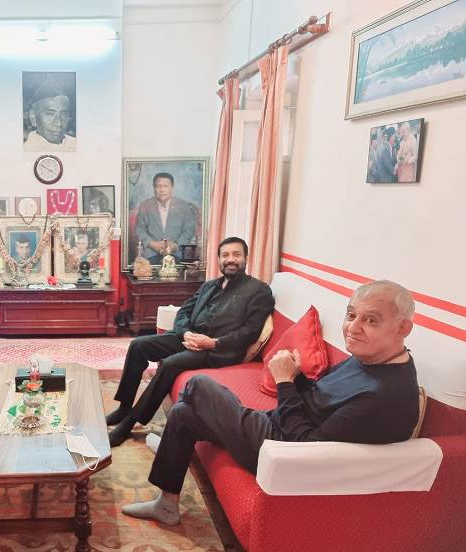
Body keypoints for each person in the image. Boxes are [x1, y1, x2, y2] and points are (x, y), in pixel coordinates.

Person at [122, 280, 419, 525]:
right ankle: (168, 499)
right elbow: (319, 398)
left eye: (371, 320)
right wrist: (298, 377)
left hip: (282, 450)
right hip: (282, 425)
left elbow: (305, 446)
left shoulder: (384, 395)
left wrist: (285, 382)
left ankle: (173, 446)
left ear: (403, 328)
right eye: (351, 315)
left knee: (198, 386)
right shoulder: (367, 358)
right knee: (184, 412)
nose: (353, 328)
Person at [106, 237, 274, 446]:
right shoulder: (210, 285)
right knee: (138, 345)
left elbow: (250, 332)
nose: (230, 259)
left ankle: (130, 422)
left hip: (218, 350)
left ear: (246, 258)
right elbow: (184, 312)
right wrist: (185, 333)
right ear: (219, 260)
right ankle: (124, 408)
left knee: (170, 364)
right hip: (189, 338)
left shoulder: (259, 290)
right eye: (225, 255)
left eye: (236, 254)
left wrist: (213, 343)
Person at [135, 173, 199, 263]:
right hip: (151, 254)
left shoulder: (184, 206)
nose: (162, 190)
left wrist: (176, 245)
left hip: (177, 254)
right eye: (158, 186)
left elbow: (189, 230)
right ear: (154, 188)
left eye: (165, 186)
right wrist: (152, 244)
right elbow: (139, 229)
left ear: (172, 188)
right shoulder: (145, 206)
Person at [24, 85, 76, 151]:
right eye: (50, 114)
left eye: (64, 114)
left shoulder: (77, 144)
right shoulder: (27, 150)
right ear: (33, 117)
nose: (59, 123)